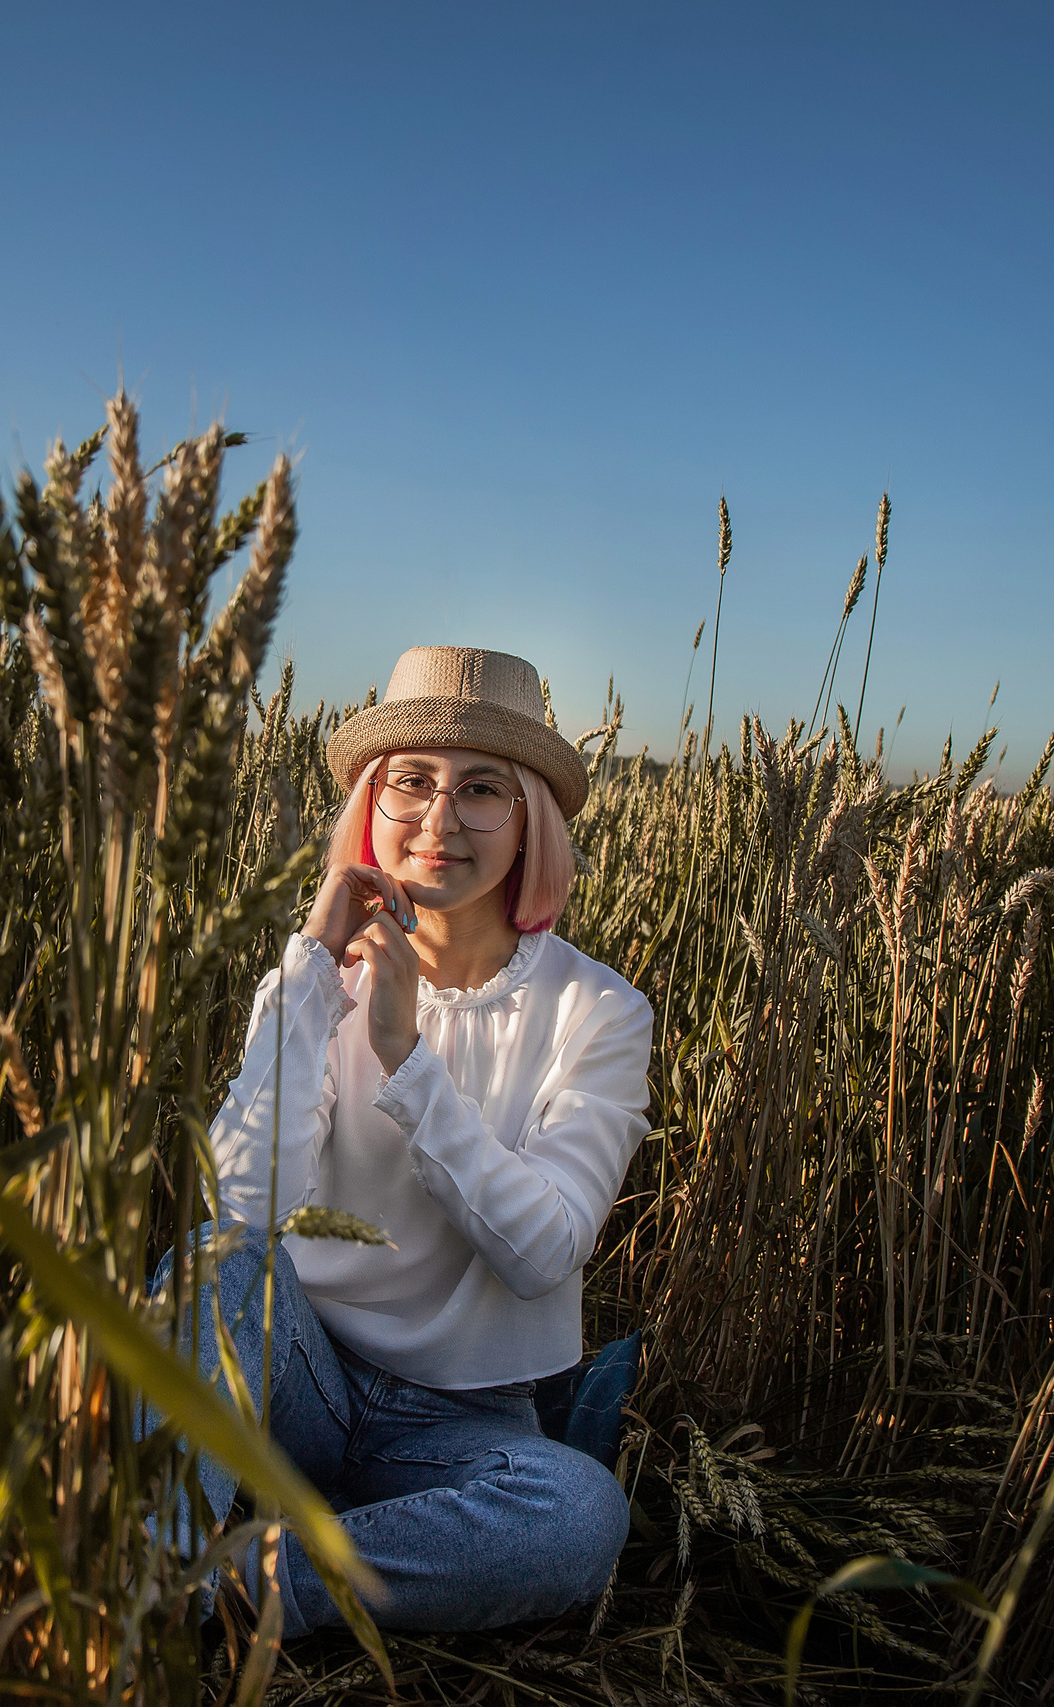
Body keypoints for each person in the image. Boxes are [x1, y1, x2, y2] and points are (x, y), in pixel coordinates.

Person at [159, 645, 654, 1637]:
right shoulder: (309, 982)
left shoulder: (596, 1012)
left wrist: (404, 1058)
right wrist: (310, 975)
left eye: (480, 790)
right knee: (214, 1265)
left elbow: (543, 1250)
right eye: (411, 784)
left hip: (462, 1428)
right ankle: (149, 1573)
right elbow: (242, 1211)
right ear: (372, 810)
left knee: (576, 1515)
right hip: (300, 1379)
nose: (437, 821)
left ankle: (235, 1588)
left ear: (529, 825)